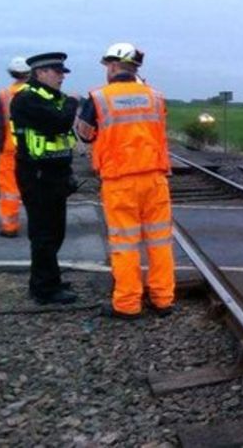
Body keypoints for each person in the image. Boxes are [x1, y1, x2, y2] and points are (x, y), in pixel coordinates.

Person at [75, 43, 175, 319]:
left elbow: (84, 134)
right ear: (135, 68)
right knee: (159, 241)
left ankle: (128, 304)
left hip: (120, 182)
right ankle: (163, 299)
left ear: (112, 66)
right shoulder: (156, 96)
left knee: (125, 244)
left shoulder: (98, 98)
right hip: (155, 179)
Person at [10, 52, 79, 304]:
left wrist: (67, 173)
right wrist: (73, 102)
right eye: (57, 72)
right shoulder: (27, 98)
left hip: (53, 175)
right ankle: (44, 289)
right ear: (40, 73)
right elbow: (59, 123)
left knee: (55, 232)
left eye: (62, 72)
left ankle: (48, 279)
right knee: (44, 234)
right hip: (37, 176)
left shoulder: (49, 97)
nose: (62, 77)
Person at [0, 56, 30, 237]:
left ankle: (9, 227)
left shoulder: (4, 94)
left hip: (9, 149)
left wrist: (0, 145)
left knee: (9, 191)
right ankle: (41, 225)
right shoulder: (36, 92)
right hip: (33, 150)